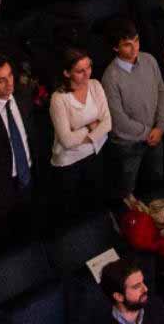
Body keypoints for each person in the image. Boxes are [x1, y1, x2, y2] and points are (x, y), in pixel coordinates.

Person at [99, 17, 164, 197]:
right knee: (127, 189)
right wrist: (149, 132)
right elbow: (118, 119)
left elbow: (162, 91)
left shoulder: (149, 60)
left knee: (157, 181)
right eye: (127, 45)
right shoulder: (110, 77)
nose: (135, 48)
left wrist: (160, 127)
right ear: (116, 48)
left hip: (155, 136)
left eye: (136, 40)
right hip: (128, 145)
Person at [48, 47, 112, 213]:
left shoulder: (95, 85)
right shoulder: (58, 98)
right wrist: (91, 127)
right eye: (80, 71)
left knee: (95, 207)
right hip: (69, 162)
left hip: (95, 153)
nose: (87, 74)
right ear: (67, 73)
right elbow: (66, 141)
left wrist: (79, 131)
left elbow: (108, 123)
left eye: (88, 67)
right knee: (73, 212)